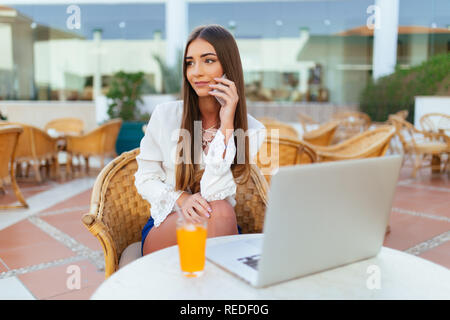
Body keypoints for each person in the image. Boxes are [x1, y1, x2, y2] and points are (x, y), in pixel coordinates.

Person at [135, 24, 266, 256]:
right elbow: (145, 179)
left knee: (220, 209)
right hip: (169, 222)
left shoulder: (253, 130)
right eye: (190, 63)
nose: (196, 72)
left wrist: (227, 123)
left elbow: (213, 192)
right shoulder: (165, 115)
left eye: (208, 60)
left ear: (228, 65)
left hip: (219, 221)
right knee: (220, 212)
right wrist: (182, 199)